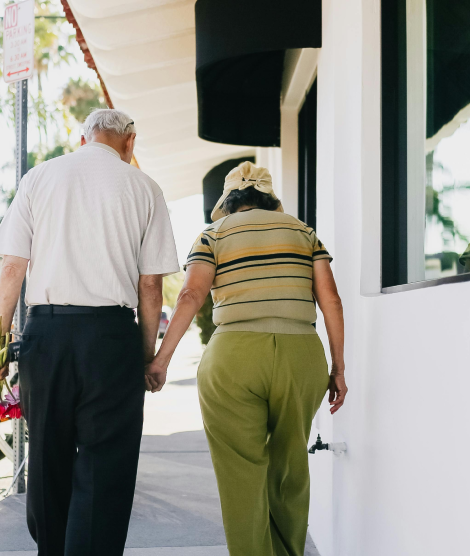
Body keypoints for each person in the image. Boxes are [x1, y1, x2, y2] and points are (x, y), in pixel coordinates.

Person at [0, 108, 180, 556]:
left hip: (46, 336)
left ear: (82, 139)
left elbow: (12, 267)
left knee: (48, 457)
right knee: (105, 466)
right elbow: (150, 286)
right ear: (130, 142)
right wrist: (146, 355)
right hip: (112, 339)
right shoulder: (145, 188)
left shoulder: (39, 178)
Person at [145, 161, 348, 556]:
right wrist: (338, 368)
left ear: (229, 200)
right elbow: (332, 301)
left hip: (233, 358)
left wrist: (160, 361)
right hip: (300, 354)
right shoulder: (304, 233)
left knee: (241, 474)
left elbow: (190, 296)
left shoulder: (213, 233)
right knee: (290, 467)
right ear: (269, 198)